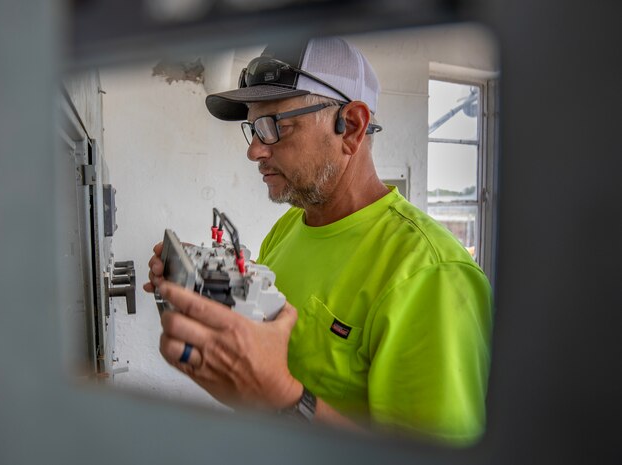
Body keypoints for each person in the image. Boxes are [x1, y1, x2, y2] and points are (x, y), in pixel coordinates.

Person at [143, 37, 493, 447]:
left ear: (352, 127)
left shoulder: (430, 274)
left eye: (274, 125)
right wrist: (200, 310)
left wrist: (287, 399)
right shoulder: (290, 227)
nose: (255, 150)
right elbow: (259, 382)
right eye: (252, 128)